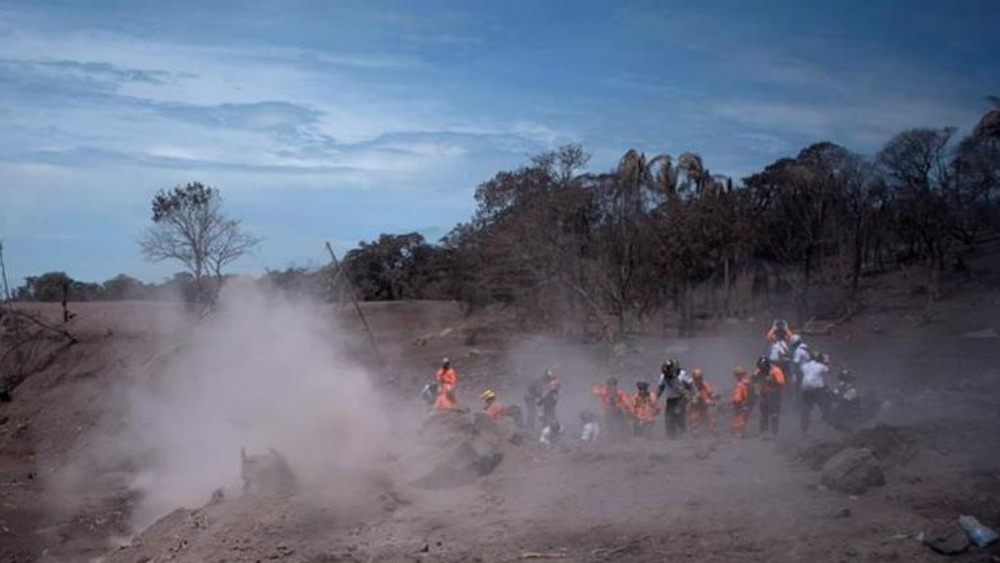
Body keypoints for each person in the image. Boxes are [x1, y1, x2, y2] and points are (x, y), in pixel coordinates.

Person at [657, 359, 692, 439]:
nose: (667, 375)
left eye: (669, 373)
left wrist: (692, 395)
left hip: (680, 399)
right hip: (670, 401)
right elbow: (660, 388)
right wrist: (655, 398)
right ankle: (671, 437)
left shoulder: (682, 375)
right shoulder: (663, 376)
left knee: (679, 414)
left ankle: (683, 433)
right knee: (668, 418)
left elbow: (690, 385)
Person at [752, 356, 786, 437]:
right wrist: (756, 388)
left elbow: (781, 383)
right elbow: (754, 380)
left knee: (774, 414)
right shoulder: (758, 370)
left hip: (775, 395)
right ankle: (763, 431)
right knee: (764, 414)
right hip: (764, 394)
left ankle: (774, 432)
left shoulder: (776, 370)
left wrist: (771, 381)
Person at [799, 353, 831, 434]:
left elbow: (801, 369)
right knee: (824, 405)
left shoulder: (805, 365)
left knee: (806, 409)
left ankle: (804, 429)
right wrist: (826, 361)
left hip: (805, 389)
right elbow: (828, 370)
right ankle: (829, 423)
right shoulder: (820, 366)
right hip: (817, 389)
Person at [687, 368, 718, 438]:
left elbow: (710, 393)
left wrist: (713, 398)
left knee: (710, 419)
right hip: (694, 407)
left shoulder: (705, 385)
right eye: (696, 378)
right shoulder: (691, 386)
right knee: (694, 419)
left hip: (704, 406)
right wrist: (691, 400)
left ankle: (714, 433)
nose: (698, 380)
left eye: (699, 378)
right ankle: (694, 433)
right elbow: (687, 396)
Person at [729, 366, 752, 438]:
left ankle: (740, 432)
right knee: (737, 417)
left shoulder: (743, 384)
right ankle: (738, 431)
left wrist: (743, 402)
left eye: (737, 375)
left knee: (740, 417)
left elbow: (744, 394)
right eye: (736, 375)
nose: (736, 377)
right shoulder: (741, 383)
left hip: (741, 403)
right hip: (737, 403)